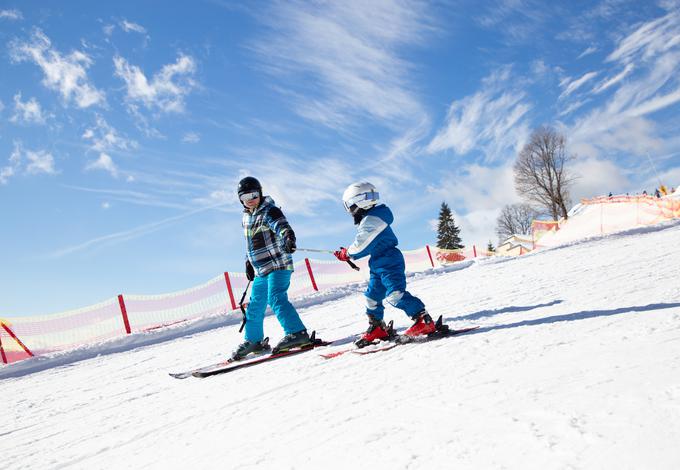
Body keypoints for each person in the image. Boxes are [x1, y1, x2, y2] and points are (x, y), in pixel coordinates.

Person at [334, 182, 436, 347]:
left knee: (394, 295)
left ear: (358, 202)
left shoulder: (372, 220)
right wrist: (348, 253)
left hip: (389, 261)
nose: (350, 211)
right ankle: (377, 327)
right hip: (378, 261)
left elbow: (362, 244)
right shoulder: (372, 218)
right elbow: (368, 244)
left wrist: (347, 253)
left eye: (349, 206)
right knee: (371, 297)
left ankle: (423, 320)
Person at [231, 176, 311, 359]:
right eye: (244, 197)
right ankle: (254, 341)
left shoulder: (269, 211)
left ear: (259, 192)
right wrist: (247, 262)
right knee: (254, 305)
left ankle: (297, 333)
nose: (249, 199)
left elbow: (282, 227)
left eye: (253, 194)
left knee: (275, 297)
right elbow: (250, 242)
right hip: (261, 270)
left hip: (278, 264)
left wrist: (289, 238)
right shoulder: (246, 217)